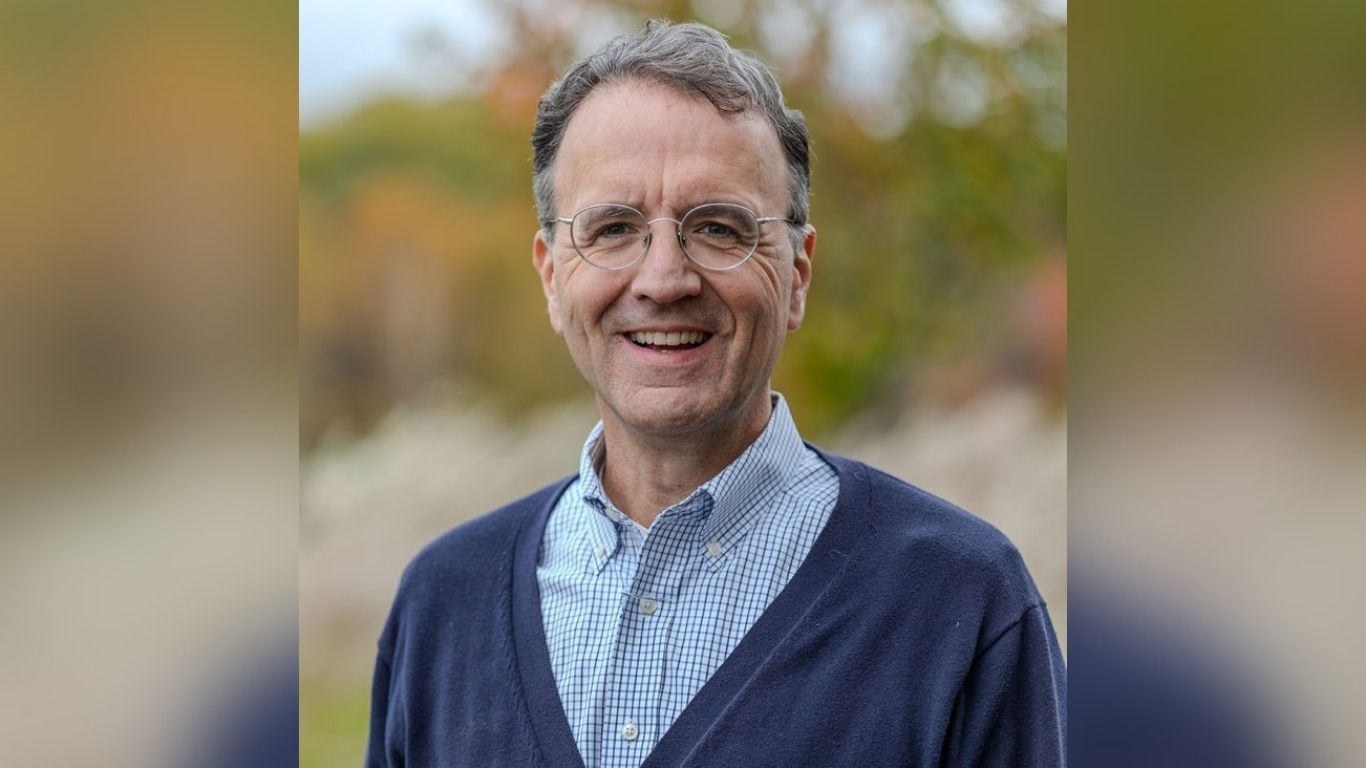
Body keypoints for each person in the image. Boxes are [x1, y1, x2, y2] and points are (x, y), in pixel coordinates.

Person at [366, 20, 1065, 768]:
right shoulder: (442, 604)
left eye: (720, 228)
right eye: (612, 228)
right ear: (551, 274)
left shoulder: (961, 605)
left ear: (796, 272)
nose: (665, 279)